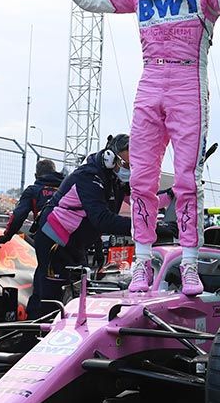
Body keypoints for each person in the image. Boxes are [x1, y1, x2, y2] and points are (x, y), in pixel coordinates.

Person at [44, 0, 220, 296]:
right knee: (140, 179)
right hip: (150, 83)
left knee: (187, 180)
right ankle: (142, 262)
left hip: (188, 83)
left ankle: (190, 265)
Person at [26, 134, 137, 319]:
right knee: (51, 298)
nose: (128, 170)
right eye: (126, 165)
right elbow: (101, 219)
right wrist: (144, 227)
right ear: (110, 157)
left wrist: (173, 193)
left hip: (76, 242)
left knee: (75, 293)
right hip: (55, 241)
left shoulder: (114, 179)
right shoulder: (89, 176)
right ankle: (36, 337)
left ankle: (49, 334)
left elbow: (143, 199)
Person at [0, 159, 64, 246]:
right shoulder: (67, 188)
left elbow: (18, 216)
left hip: (46, 235)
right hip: (72, 236)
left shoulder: (32, 191)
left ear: (36, 176)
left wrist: (7, 236)